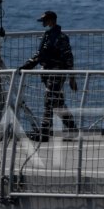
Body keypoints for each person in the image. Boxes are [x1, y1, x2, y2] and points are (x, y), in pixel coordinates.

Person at [20, 11, 77, 140]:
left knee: (49, 100)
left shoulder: (61, 38)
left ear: (52, 20)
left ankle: (44, 134)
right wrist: (26, 66)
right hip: (48, 72)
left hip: (57, 73)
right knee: (58, 103)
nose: (44, 23)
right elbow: (40, 55)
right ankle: (73, 129)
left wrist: (72, 78)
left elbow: (69, 58)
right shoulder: (48, 36)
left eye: (46, 20)